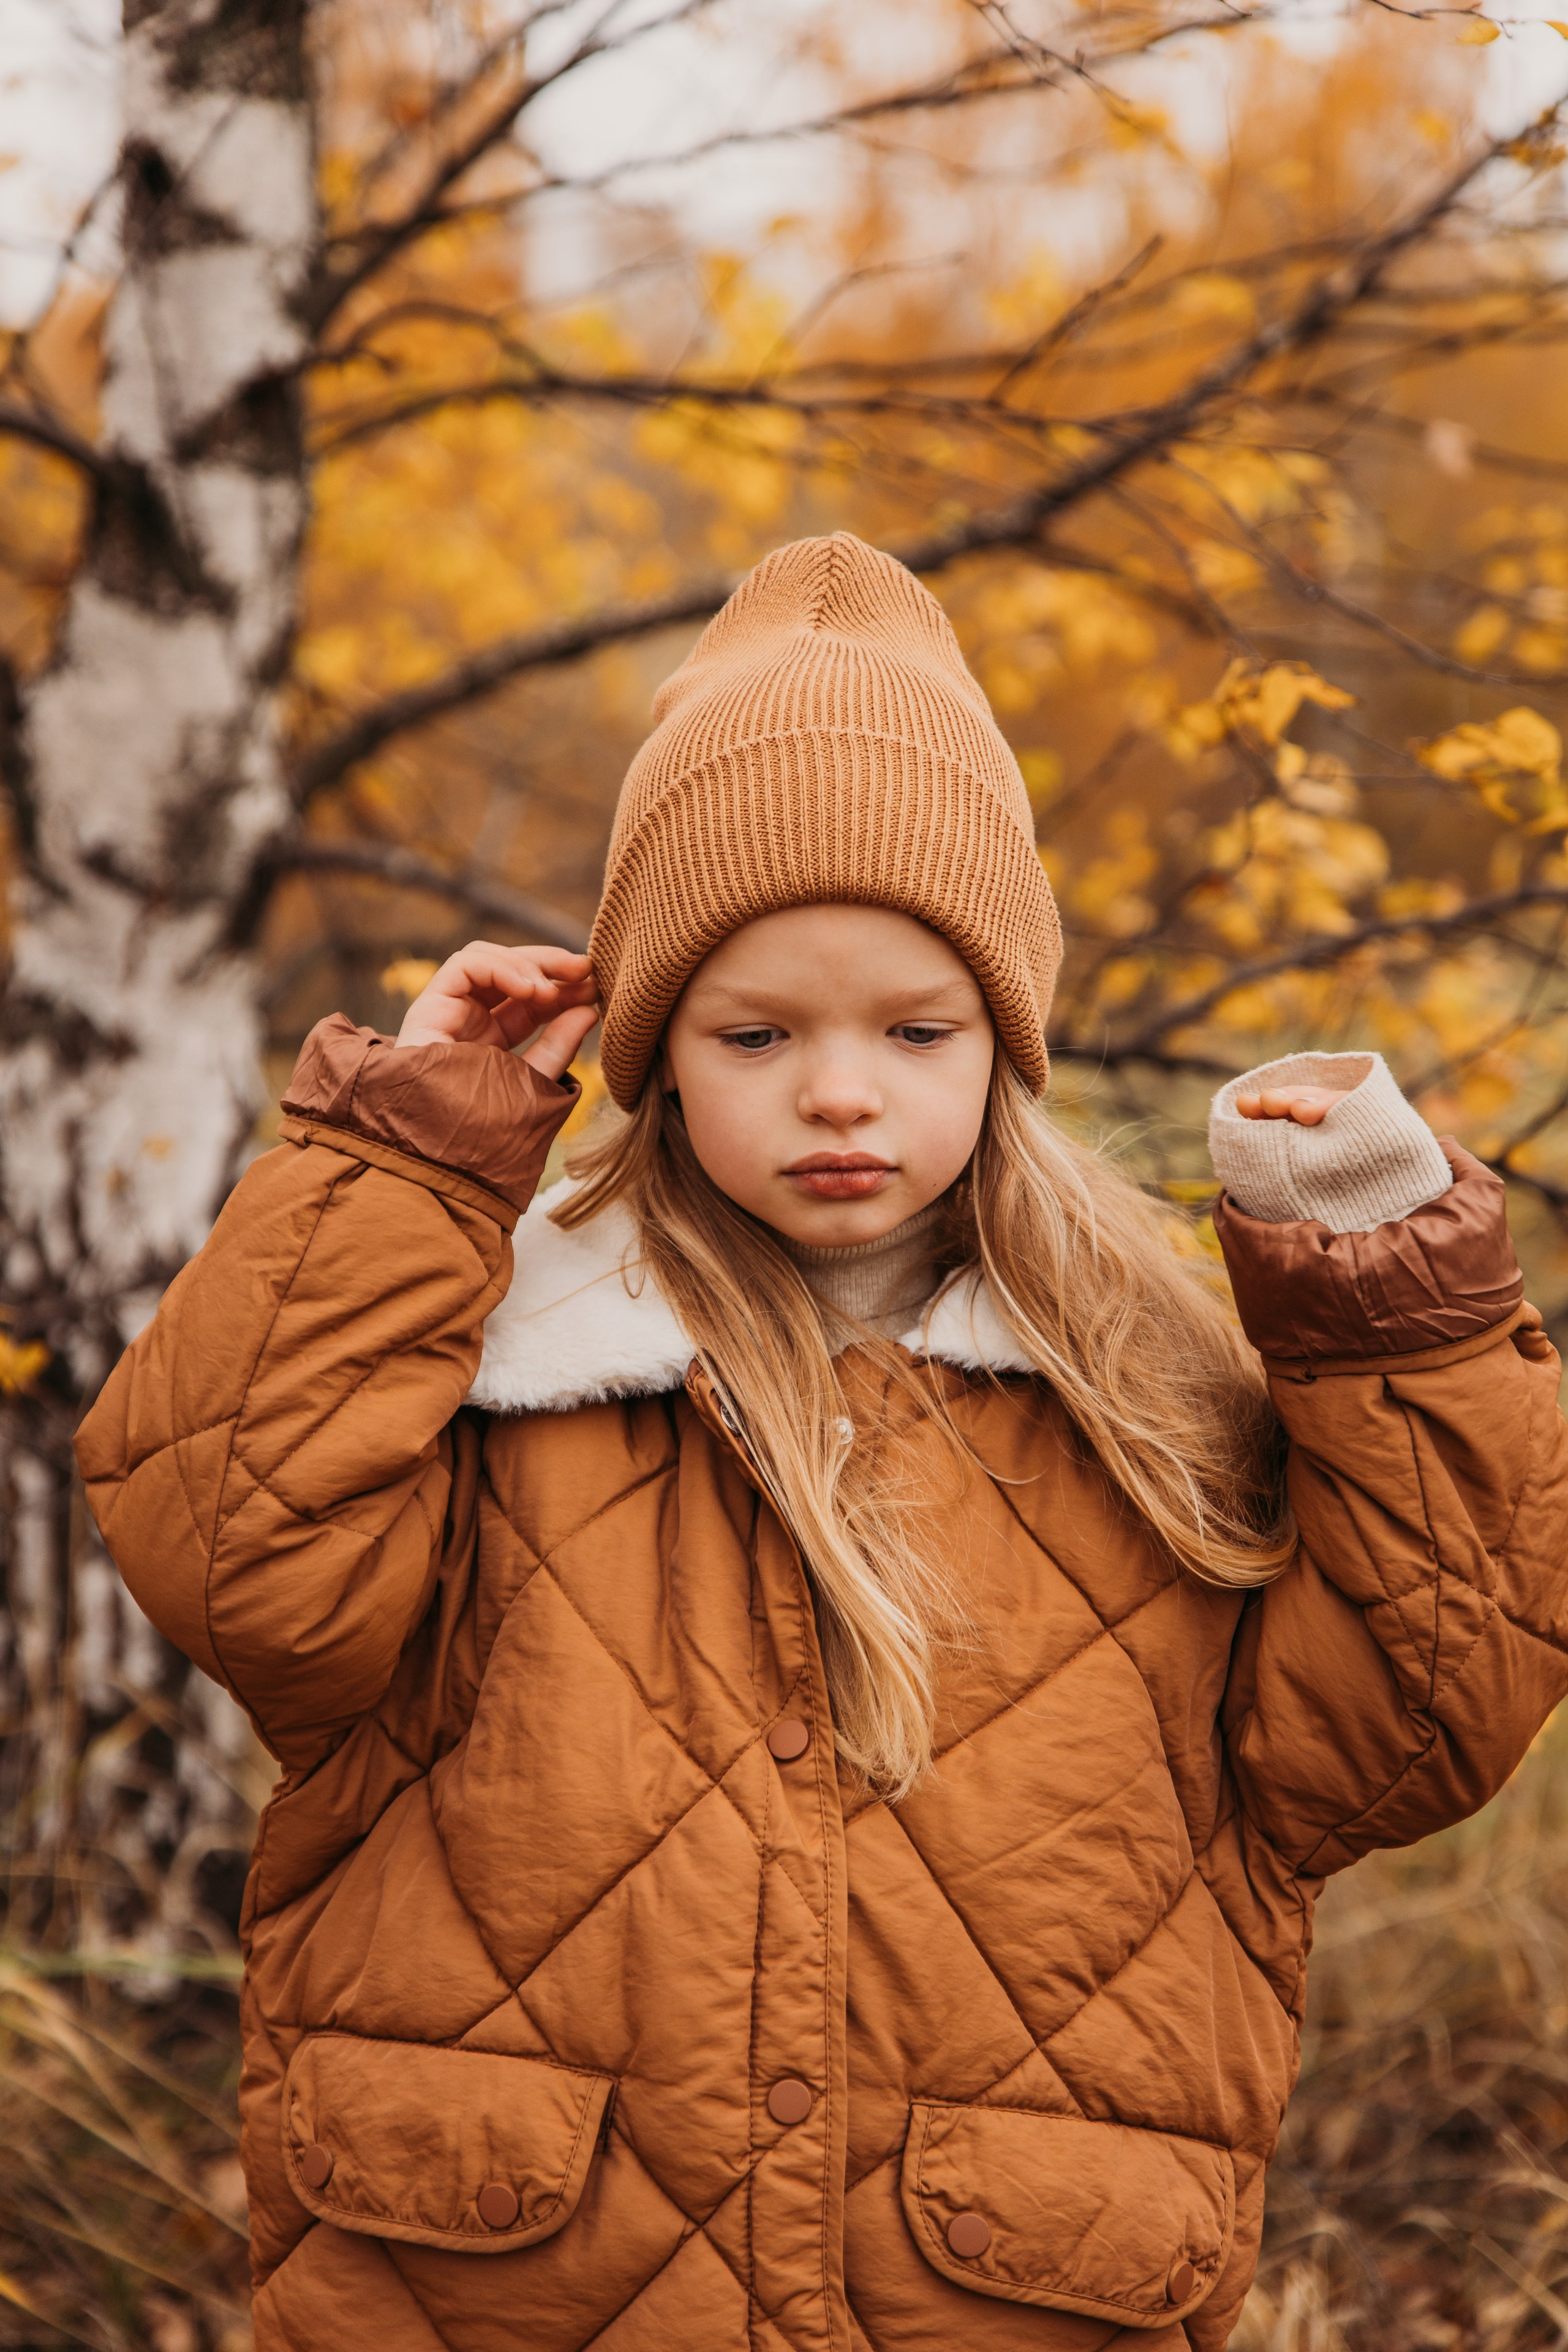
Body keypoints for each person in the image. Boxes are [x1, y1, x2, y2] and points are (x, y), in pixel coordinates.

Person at [78, 534, 1568, 2352]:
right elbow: (236, 1555)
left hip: (1009, 2293)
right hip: (499, 2290)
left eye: (916, 1028)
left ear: (1003, 1049)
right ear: (656, 1050)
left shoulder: (1151, 1402)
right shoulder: (492, 1370)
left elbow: (1414, 1722)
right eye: (756, 1029)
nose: (841, 1089)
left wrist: (1377, 1292)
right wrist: (406, 1154)